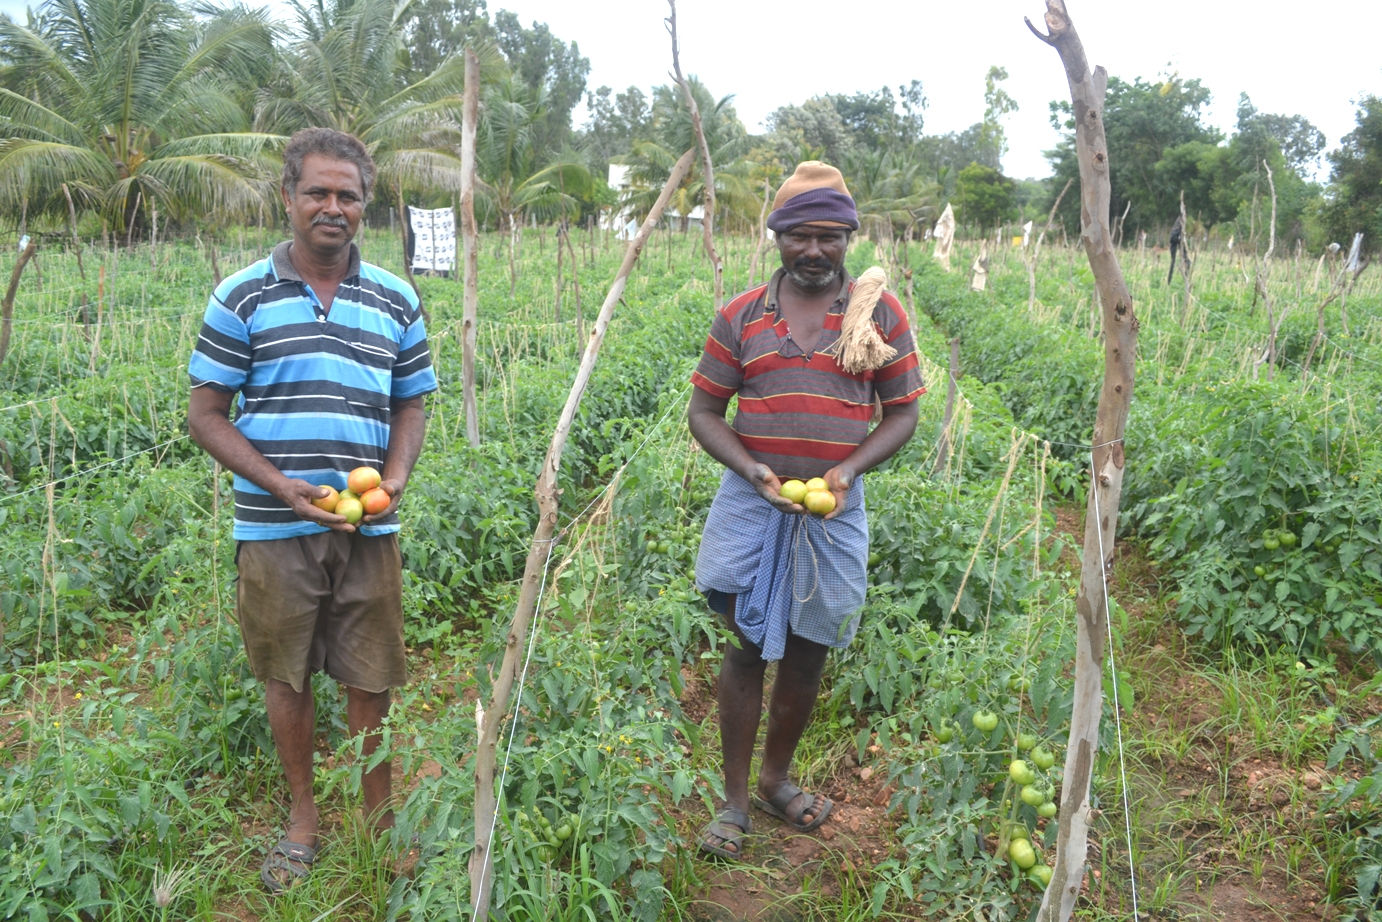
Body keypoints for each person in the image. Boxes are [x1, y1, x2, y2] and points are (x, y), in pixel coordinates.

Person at [187, 128, 437, 892]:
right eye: (319, 193)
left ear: (367, 206)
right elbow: (206, 412)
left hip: (368, 526)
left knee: (372, 679)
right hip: (273, 527)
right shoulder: (242, 294)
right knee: (285, 678)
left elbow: (413, 399)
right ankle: (303, 820)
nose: (334, 207)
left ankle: (378, 821)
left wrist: (393, 477)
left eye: (349, 196)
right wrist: (280, 485)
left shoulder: (397, 296)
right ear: (289, 198)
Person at [687, 161, 924, 859]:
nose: (814, 250)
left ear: (849, 236)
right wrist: (751, 467)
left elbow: (903, 413)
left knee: (810, 648)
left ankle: (775, 779)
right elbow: (705, 411)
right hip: (751, 501)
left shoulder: (877, 315)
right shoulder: (741, 316)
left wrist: (848, 470)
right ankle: (732, 800)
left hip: (833, 509)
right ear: (777, 238)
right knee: (742, 645)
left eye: (829, 236)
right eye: (799, 237)